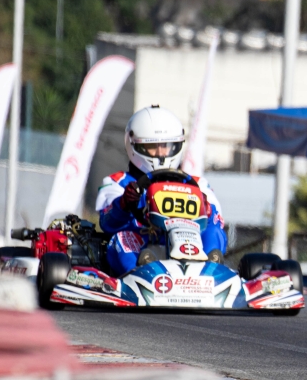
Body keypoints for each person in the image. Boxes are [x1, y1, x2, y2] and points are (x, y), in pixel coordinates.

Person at [95, 105, 227, 276]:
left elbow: (217, 222)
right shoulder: (117, 182)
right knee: (122, 239)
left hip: (190, 245)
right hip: (143, 243)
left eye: (166, 146)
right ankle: (142, 271)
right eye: (153, 147)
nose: (160, 153)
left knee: (215, 232)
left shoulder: (198, 185)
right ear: (135, 145)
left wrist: (206, 208)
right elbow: (107, 223)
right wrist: (124, 203)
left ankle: (210, 269)